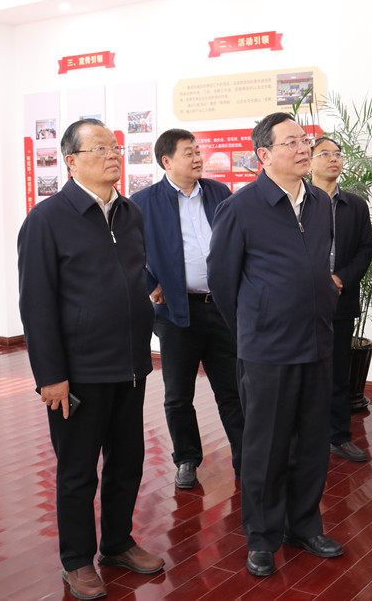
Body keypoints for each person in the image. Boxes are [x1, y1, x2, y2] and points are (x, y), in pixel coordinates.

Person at [17, 119, 164, 600]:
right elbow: (36, 305)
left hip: (130, 365)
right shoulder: (47, 219)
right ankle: (77, 560)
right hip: (78, 373)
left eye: (114, 147)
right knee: (78, 471)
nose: (112, 154)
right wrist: (51, 376)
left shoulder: (130, 213)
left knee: (128, 462)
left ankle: (117, 543)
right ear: (71, 161)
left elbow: (134, 278)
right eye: (99, 148)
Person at [208, 113, 342, 577]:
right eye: (291, 142)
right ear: (263, 154)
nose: (304, 149)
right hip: (267, 349)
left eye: (305, 140)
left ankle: (303, 525)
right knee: (265, 448)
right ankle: (262, 538)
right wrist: (254, 326)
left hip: (317, 342)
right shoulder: (240, 208)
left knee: (313, 442)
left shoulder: (321, 202)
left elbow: (321, 264)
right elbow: (222, 282)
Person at [130, 128, 243, 489]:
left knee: (233, 390)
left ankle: (246, 457)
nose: (198, 158)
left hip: (221, 308)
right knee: (178, 395)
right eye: (188, 153)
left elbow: (238, 242)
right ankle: (187, 459)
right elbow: (129, 254)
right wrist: (151, 284)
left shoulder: (219, 193)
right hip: (176, 313)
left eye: (198, 151)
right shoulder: (143, 202)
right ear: (167, 161)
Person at [308, 136, 372, 463]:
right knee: (301, 372)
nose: (333, 159)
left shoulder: (355, 205)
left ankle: (339, 436)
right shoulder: (296, 201)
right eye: (324, 154)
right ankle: (301, 438)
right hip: (301, 302)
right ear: (309, 161)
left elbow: (366, 248)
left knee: (337, 373)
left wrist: (341, 278)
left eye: (337, 154)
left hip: (340, 299)